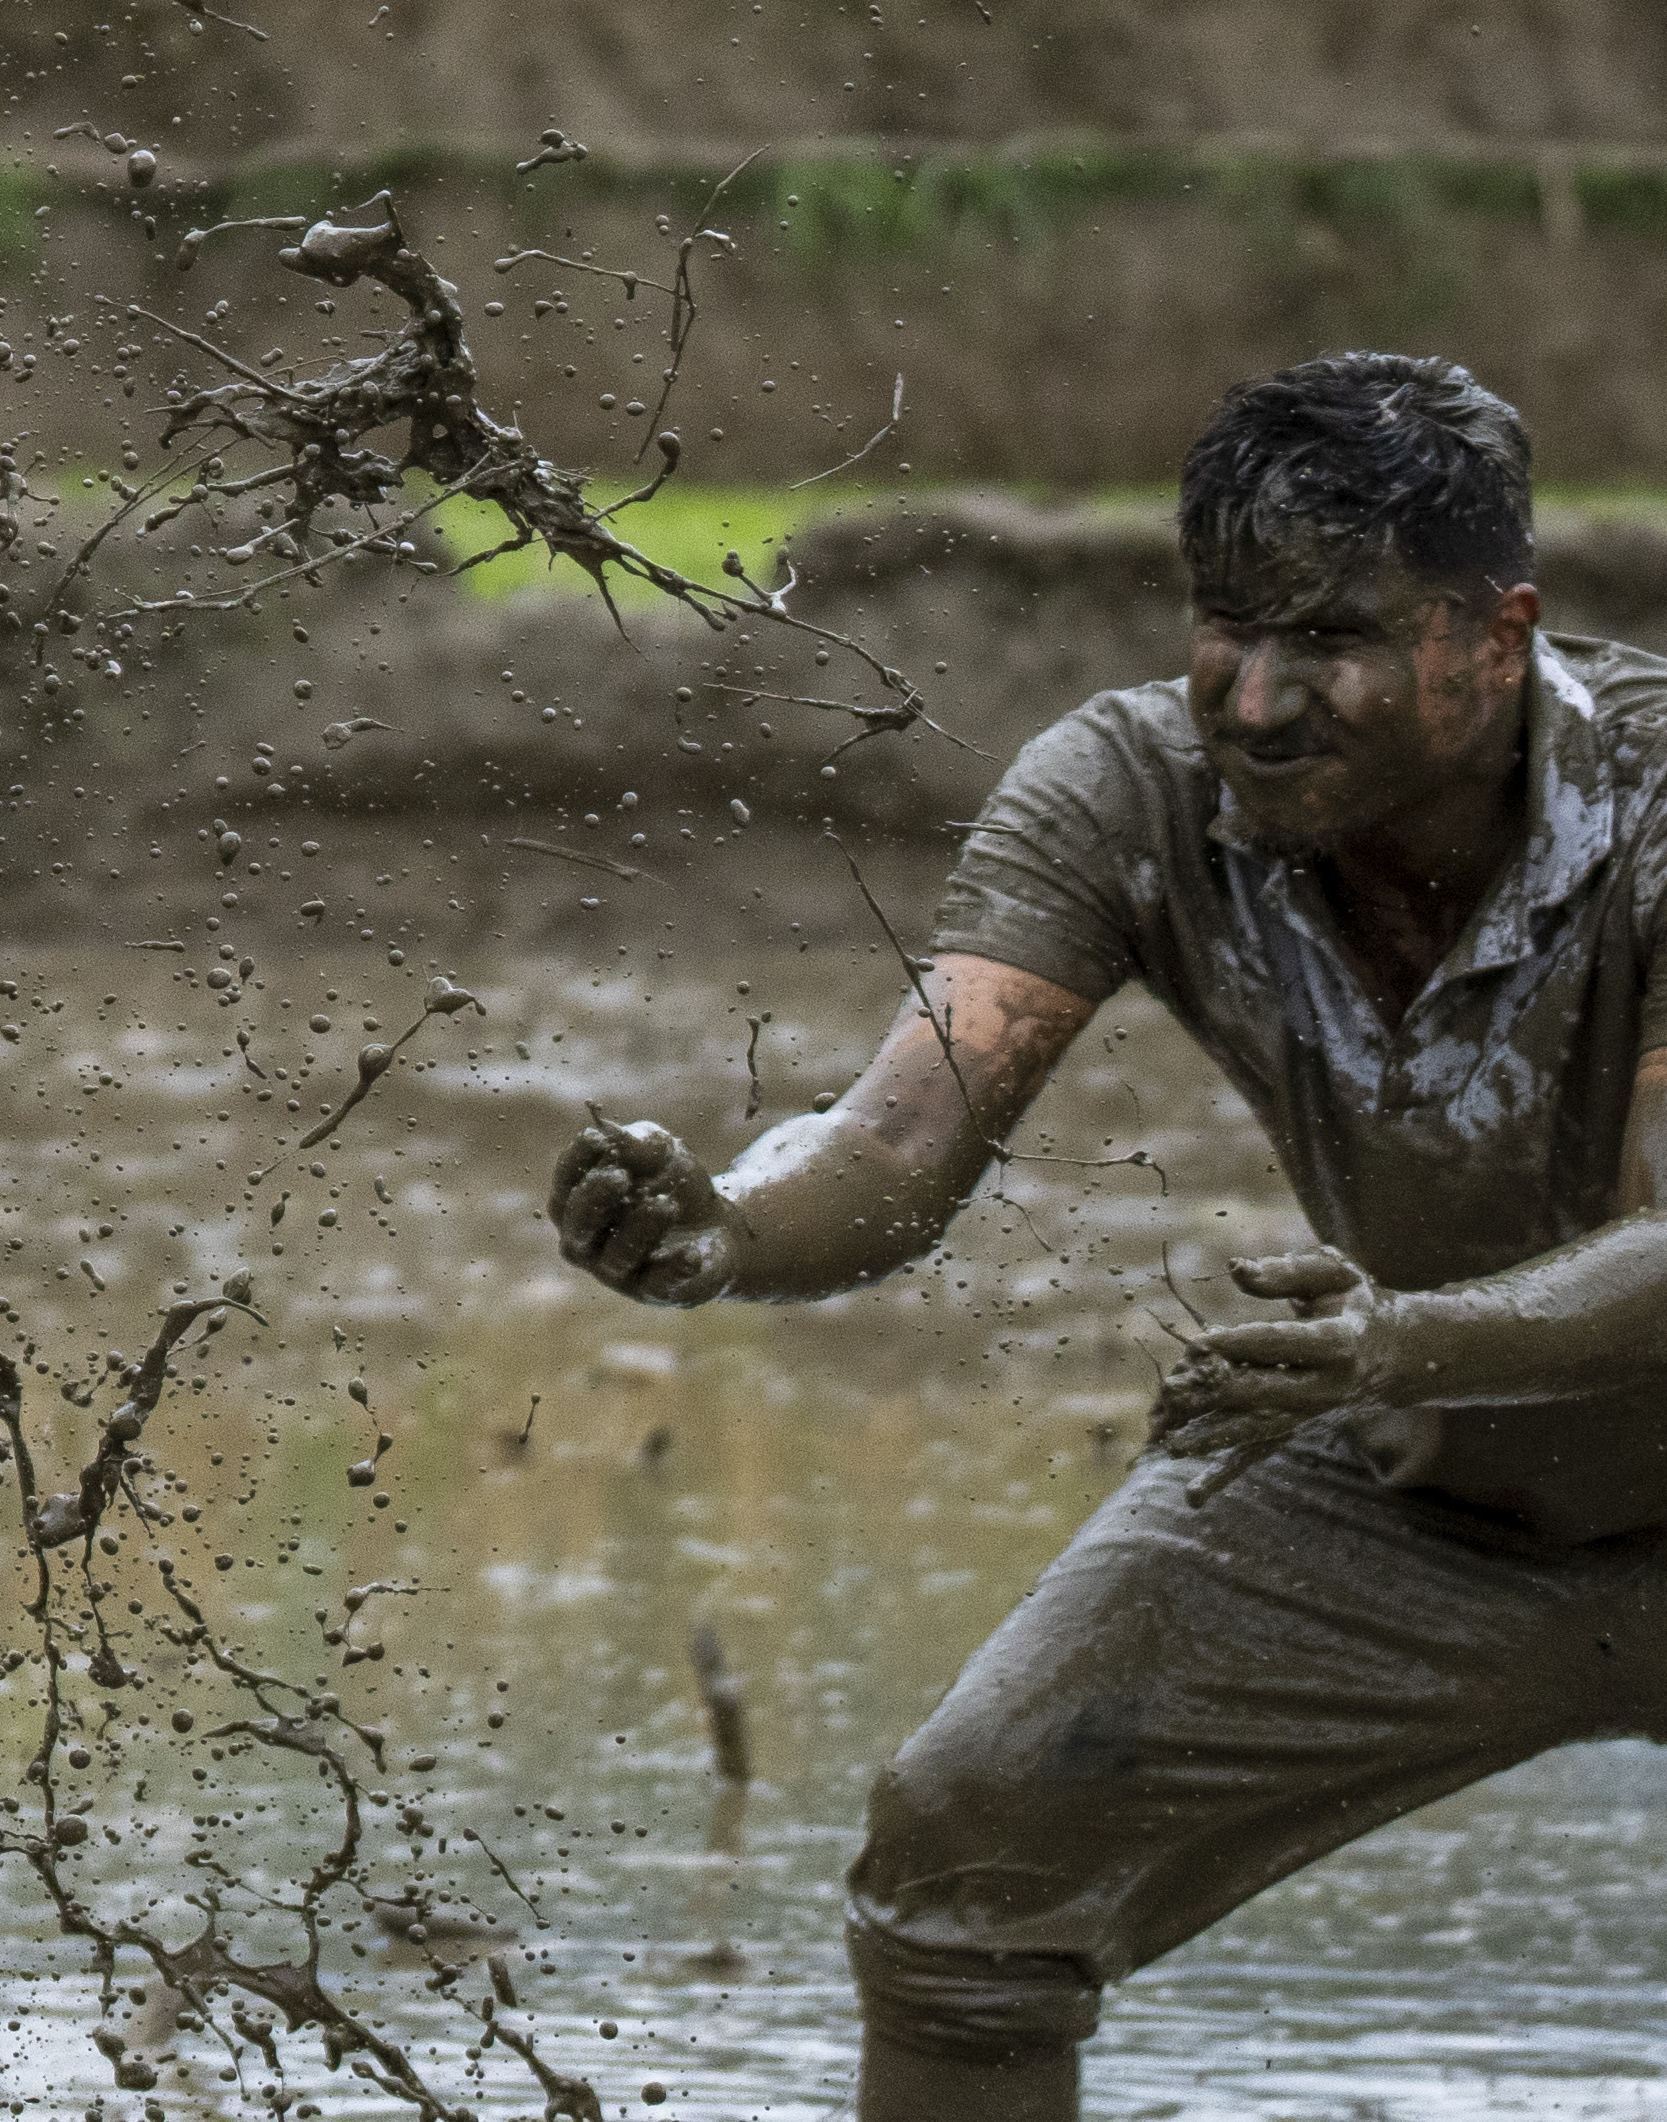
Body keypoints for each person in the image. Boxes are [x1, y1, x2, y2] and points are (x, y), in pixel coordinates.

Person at [549, 351, 1667, 2120]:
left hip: (1433, 1378)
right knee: (968, 1860)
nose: (1263, 695)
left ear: (1497, 633)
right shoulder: (1133, 791)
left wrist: (1396, 1341)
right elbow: (901, 1135)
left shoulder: (1660, 802)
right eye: (1228, 624)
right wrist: (726, 1225)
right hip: (1430, 1486)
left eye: (1336, 637)